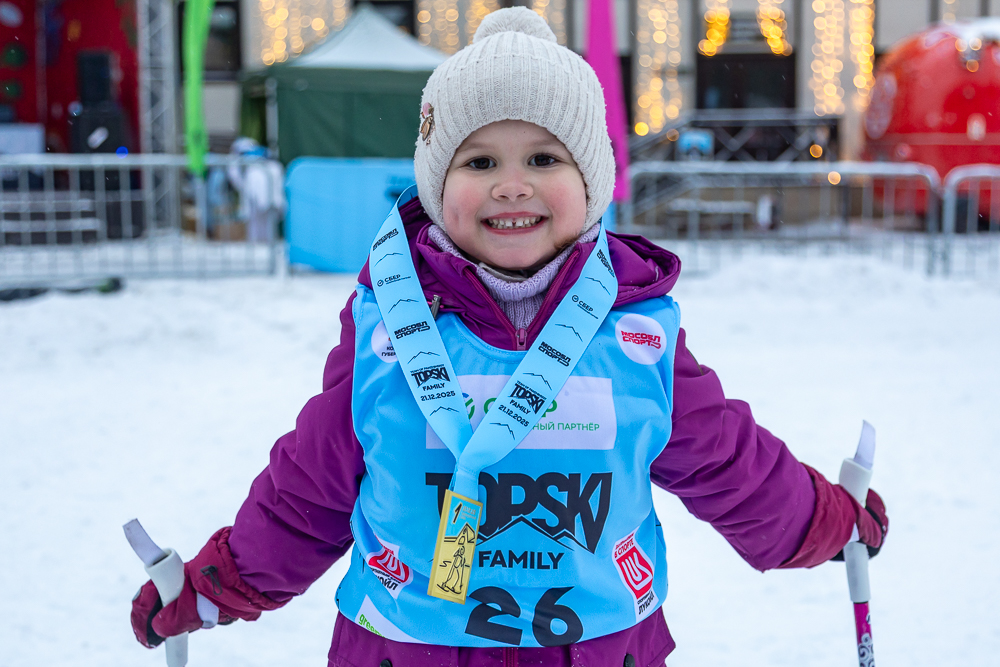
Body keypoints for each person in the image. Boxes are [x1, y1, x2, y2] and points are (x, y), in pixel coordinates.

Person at [130, 9, 888, 666]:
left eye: (544, 159)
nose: (512, 184)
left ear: (590, 181)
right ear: (435, 182)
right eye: (480, 160)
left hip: (596, 645)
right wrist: (213, 586)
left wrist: (825, 520)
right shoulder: (388, 326)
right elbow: (307, 492)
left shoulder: (636, 335)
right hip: (407, 644)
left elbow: (729, 461)